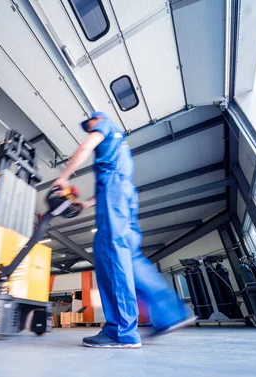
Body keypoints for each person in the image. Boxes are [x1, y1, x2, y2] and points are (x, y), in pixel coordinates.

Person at [52, 111, 195, 349]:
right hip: (125, 197)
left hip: (113, 192)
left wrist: (63, 178)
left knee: (111, 253)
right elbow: (114, 179)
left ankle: (121, 331)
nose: (89, 129)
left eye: (89, 124)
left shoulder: (105, 126)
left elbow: (85, 148)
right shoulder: (121, 147)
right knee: (130, 256)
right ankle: (172, 313)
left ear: (97, 119)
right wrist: (85, 204)